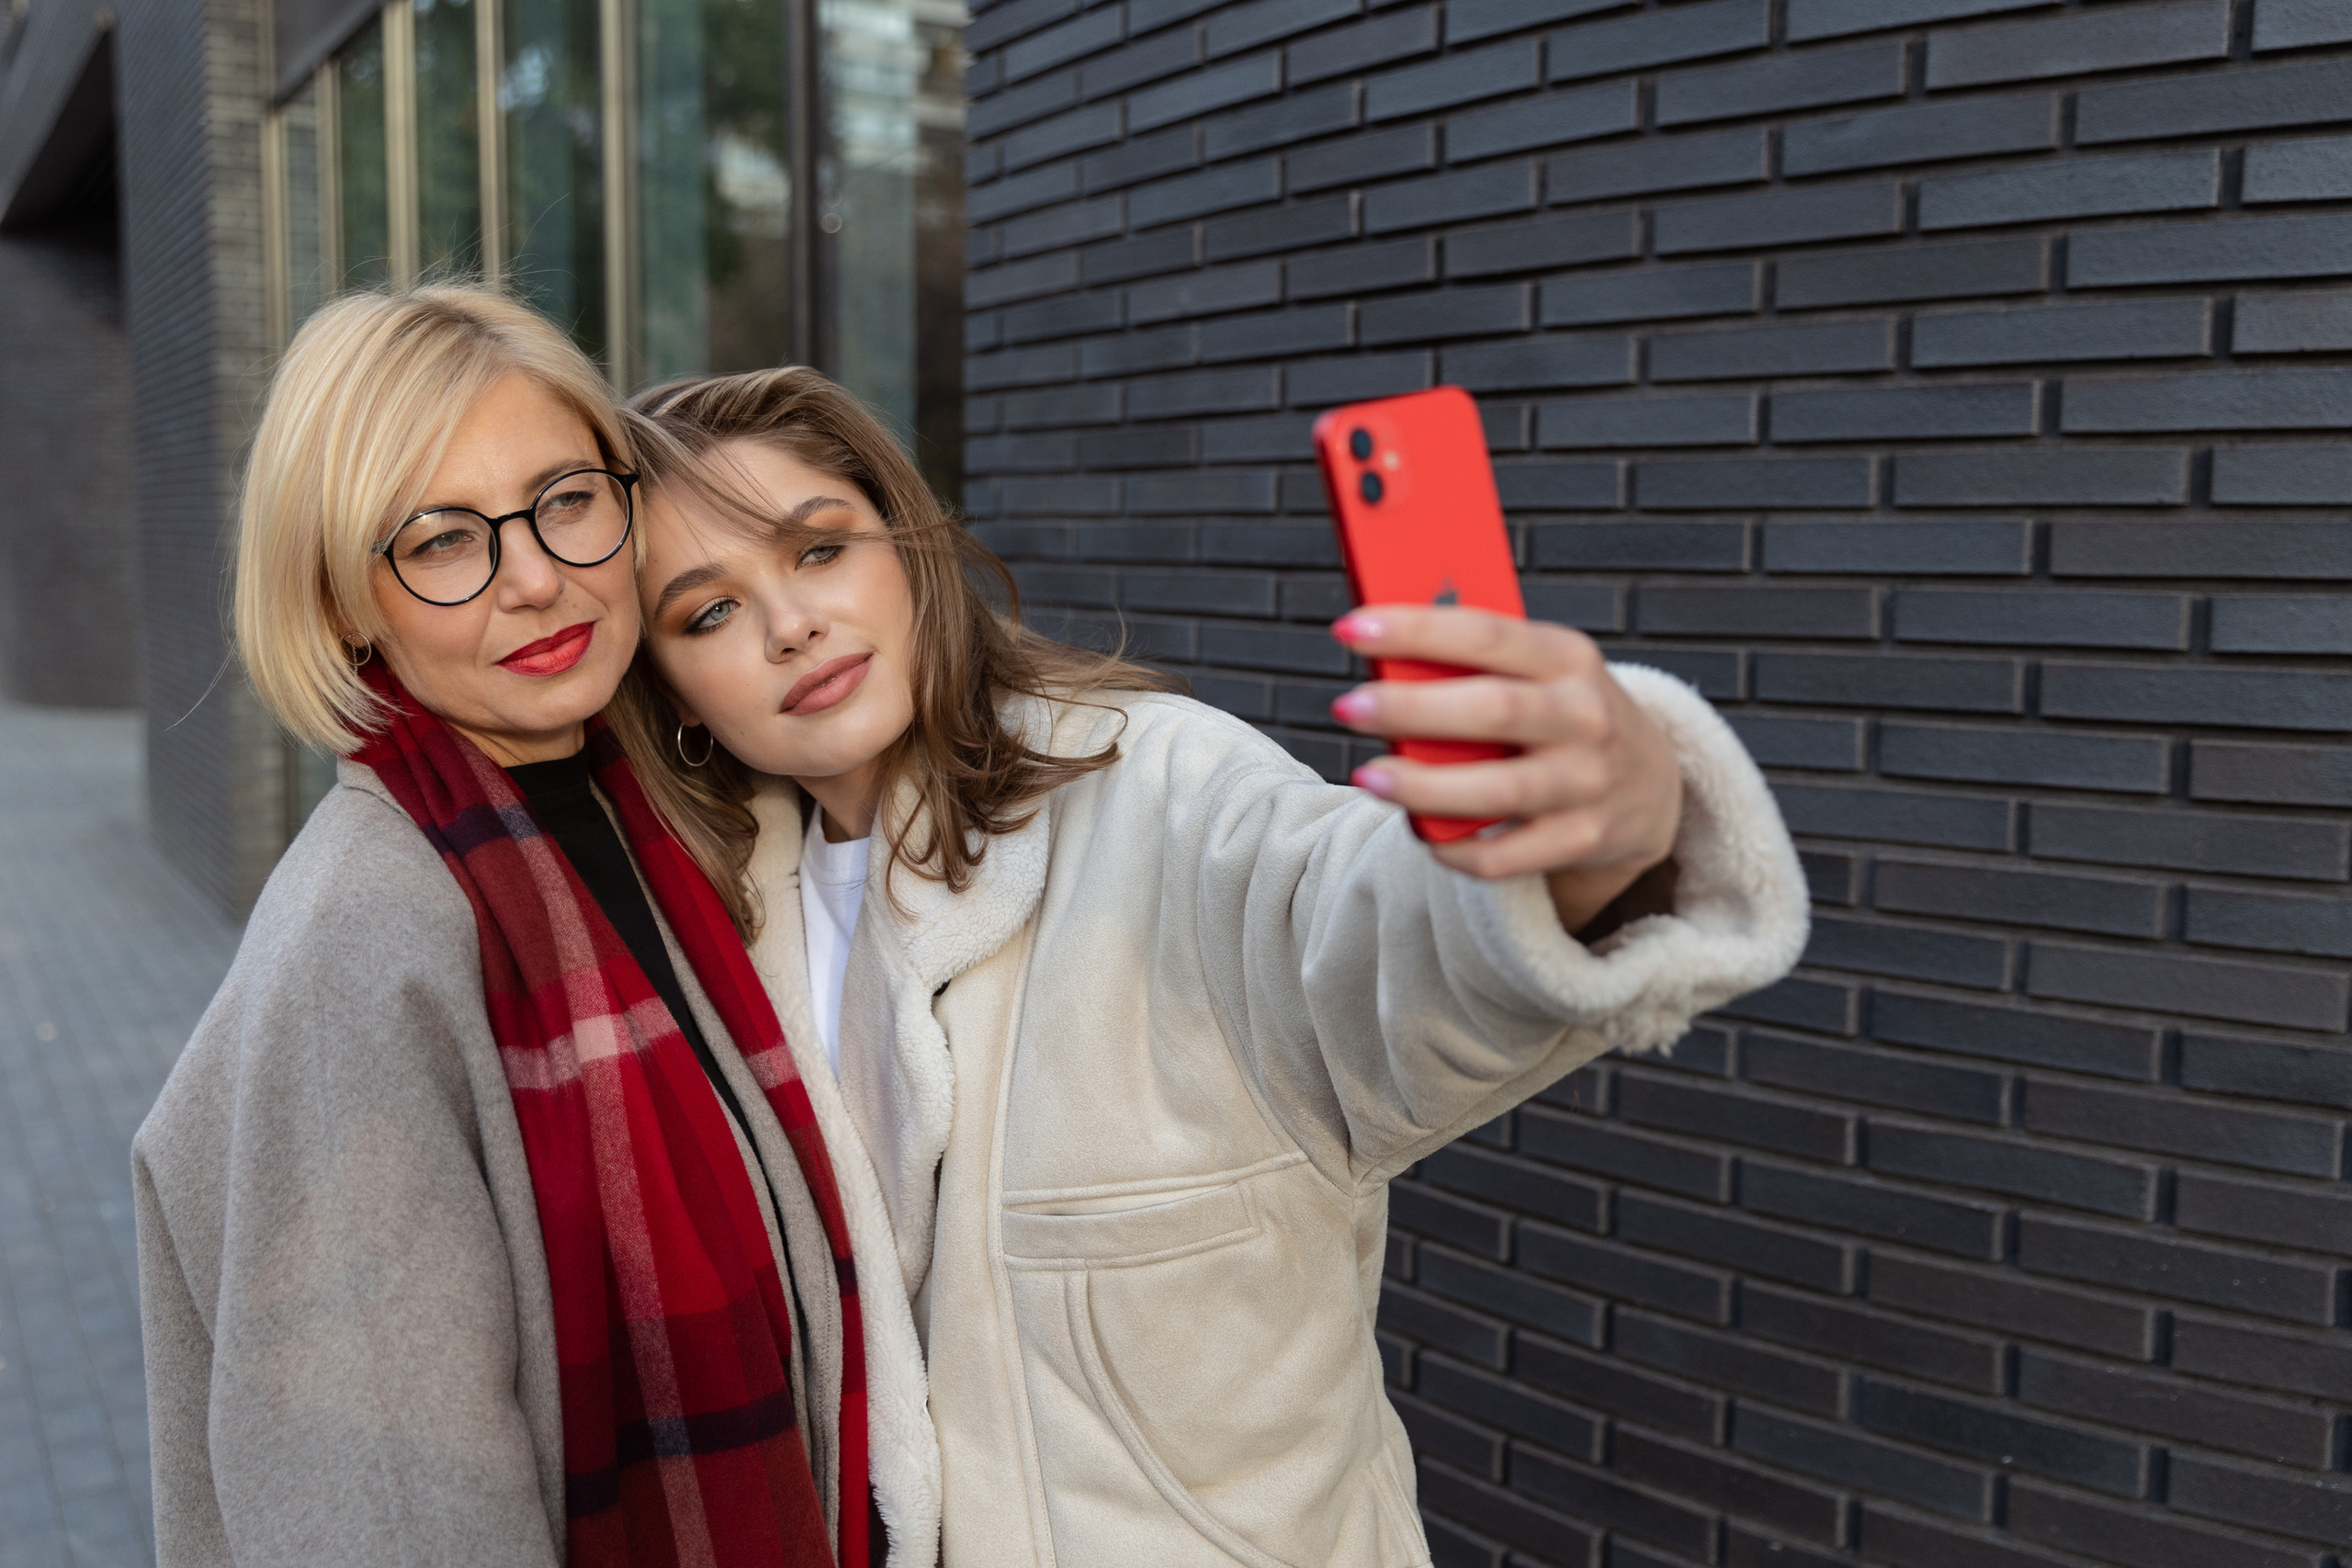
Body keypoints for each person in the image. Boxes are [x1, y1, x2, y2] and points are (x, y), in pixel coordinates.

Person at [614, 367, 1811, 1568]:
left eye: (819, 550)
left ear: (905, 545)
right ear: (669, 688)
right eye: (706, 613)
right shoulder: (703, 926)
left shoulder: (1161, 791)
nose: (790, 624)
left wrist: (1606, 831)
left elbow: (1383, 939)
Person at [131, 287, 929, 1568]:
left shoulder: (646, 810)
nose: (538, 578)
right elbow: (394, 1509)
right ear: (344, 601)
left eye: (567, 499)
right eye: (444, 540)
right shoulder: (367, 939)